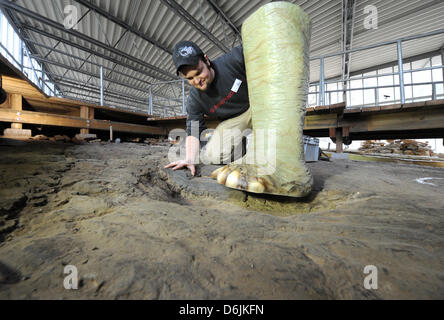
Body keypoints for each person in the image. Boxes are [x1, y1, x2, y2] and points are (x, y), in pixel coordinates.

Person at [165, 40, 251, 176]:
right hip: (235, 119)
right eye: (190, 78)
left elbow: (258, 44)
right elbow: (194, 130)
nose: (197, 81)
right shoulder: (195, 99)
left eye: (199, 72)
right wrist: (189, 159)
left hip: (259, 104)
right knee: (213, 155)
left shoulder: (233, 60)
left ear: (206, 60)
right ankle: (243, 148)